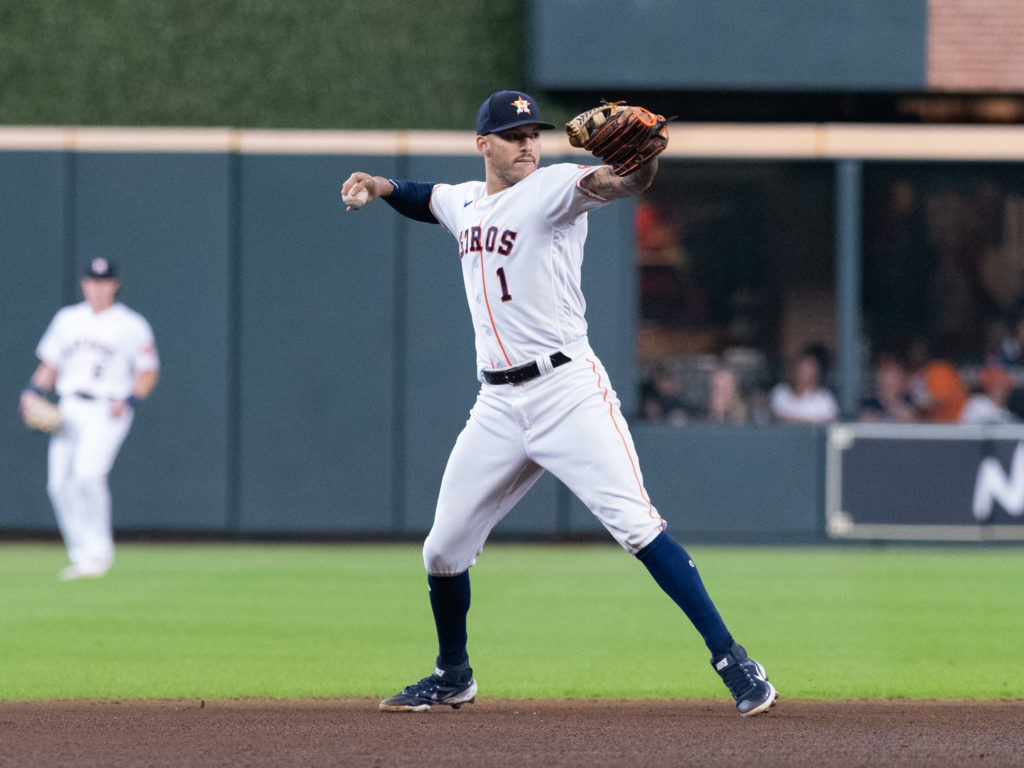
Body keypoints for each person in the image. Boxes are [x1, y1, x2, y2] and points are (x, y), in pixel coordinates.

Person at [341, 90, 777, 717]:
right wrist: (380, 185)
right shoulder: (465, 201)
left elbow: (623, 182)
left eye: (533, 135)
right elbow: (424, 197)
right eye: (513, 135)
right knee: (442, 550)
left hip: (566, 391)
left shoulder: (554, 189)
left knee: (636, 526)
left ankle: (734, 660)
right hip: (497, 404)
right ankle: (452, 674)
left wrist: (644, 160)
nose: (528, 144)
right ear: (483, 144)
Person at [19, 258, 159, 580]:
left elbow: (148, 371)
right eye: (92, 281)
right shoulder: (67, 319)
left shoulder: (131, 324)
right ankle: (81, 554)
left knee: (88, 475)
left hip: (107, 408)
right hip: (70, 406)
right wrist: (32, 391)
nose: (97, 287)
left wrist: (130, 399)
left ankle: (99, 553)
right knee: (58, 485)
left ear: (114, 285)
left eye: (104, 281)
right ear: (84, 284)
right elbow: (51, 365)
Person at [769, 344, 839, 424]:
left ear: (815, 372)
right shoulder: (780, 392)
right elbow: (777, 418)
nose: (803, 373)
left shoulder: (824, 398)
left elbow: (830, 423)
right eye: (801, 368)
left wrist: (793, 420)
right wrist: (812, 421)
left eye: (808, 369)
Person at [859, 354, 916, 423]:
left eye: (892, 373)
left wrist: (891, 400)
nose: (886, 378)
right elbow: (863, 421)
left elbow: (910, 418)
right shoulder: (869, 402)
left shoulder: (908, 400)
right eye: (882, 372)